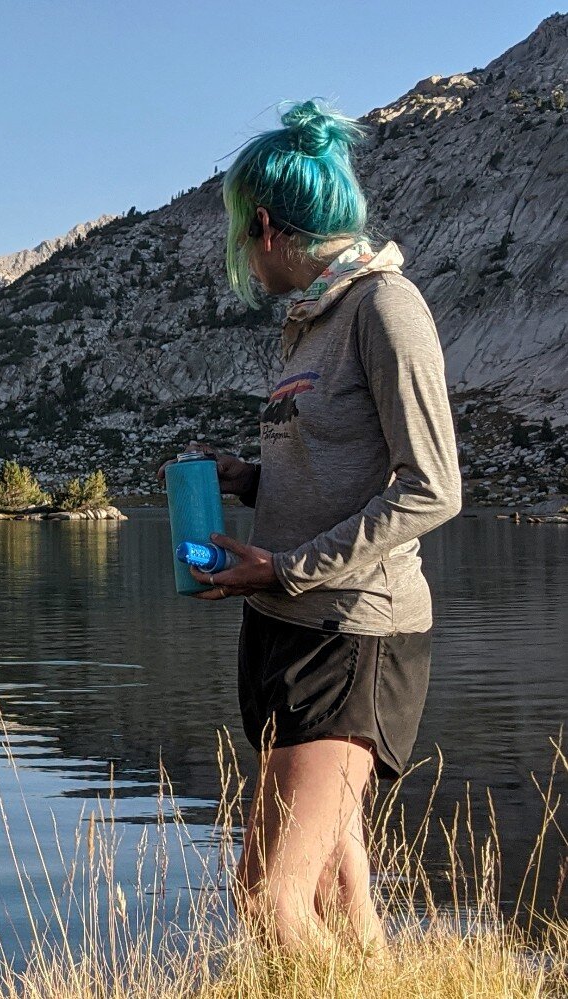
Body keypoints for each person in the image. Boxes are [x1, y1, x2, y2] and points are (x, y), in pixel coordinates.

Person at [163, 100, 462, 952]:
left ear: (263, 225)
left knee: (268, 900)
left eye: (239, 237)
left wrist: (285, 568)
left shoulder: (383, 309)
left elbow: (434, 488)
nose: (244, 262)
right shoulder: (310, 323)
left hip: (351, 631)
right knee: (336, 887)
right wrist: (244, 479)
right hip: (287, 626)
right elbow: (335, 472)